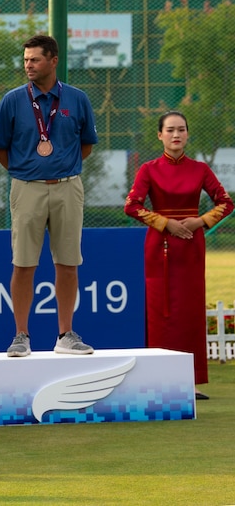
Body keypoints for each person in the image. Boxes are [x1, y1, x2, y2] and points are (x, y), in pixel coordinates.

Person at [0, 34, 98, 357]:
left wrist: (62, 166)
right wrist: (27, 171)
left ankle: (65, 334)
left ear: (53, 60)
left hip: (68, 187)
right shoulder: (12, 100)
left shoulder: (76, 99)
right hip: (26, 188)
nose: (28, 66)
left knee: (68, 263)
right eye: (25, 60)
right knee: (23, 264)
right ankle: (21, 335)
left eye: (35, 60)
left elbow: (87, 144)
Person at [124, 111, 233, 400]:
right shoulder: (148, 169)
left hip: (191, 247)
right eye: (170, 130)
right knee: (161, 312)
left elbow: (225, 202)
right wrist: (165, 223)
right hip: (159, 246)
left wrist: (200, 221)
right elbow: (132, 206)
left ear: (187, 134)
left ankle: (191, 381)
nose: (176, 135)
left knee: (190, 313)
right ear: (159, 135)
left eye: (181, 130)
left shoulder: (200, 170)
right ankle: (160, 380)